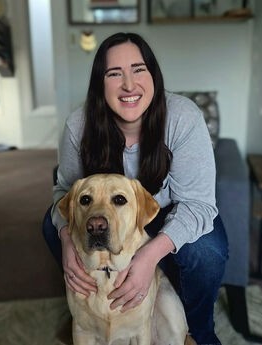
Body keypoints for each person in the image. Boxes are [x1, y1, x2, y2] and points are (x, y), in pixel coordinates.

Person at [42, 32, 228, 345]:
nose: (129, 85)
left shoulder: (182, 117)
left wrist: (147, 257)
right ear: (100, 85)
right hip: (114, 215)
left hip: (171, 209)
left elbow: (199, 205)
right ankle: (90, 314)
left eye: (138, 69)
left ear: (153, 75)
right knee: (51, 226)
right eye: (115, 74)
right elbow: (64, 192)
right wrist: (66, 240)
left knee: (207, 250)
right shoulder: (79, 124)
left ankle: (198, 331)